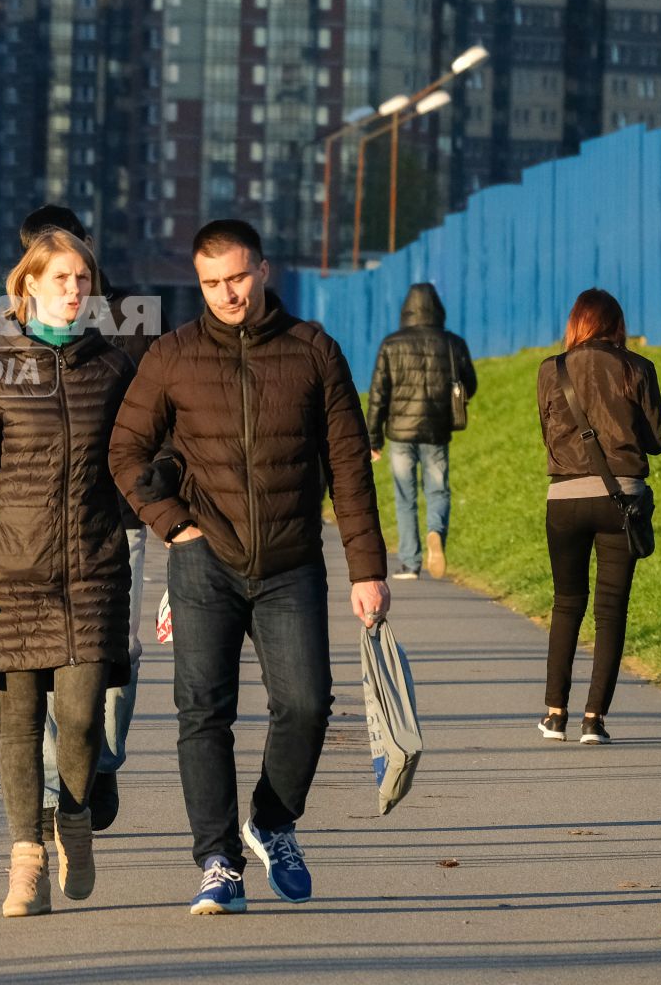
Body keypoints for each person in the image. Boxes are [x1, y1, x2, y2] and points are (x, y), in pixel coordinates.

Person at [109, 219, 389, 915]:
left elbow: (349, 464)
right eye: (211, 283)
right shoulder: (172, 356)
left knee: (307, 704)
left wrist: (367, 567)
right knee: (203, 713)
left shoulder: (313, 350)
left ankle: (271, 819)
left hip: (292, 562)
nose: (226, 294)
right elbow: (125, 452)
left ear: (263, 270)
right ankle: (217, 862)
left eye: (236, 277)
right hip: (204, 563)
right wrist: (175, 525)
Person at [0, 226, 136, 917]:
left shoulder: (113, 367)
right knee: (19, 722)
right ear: (29, 287)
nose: (74, 291)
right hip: (12, 570)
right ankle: (26, 863)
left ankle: (73, 819)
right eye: (61, 279)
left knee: (79, 721)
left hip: (93, 568)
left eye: (83, 280)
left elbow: (146, 458)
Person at [0, 208, 153, 844]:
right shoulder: (6, 335)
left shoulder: (130, 326)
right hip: (32, 536)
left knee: (117, 652)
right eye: (47, 266)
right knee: (47, 662)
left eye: (73, 267)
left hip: (117, 524)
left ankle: (97, 761)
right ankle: (67, 781)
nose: (65, 282)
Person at [535, 288, 661, 745]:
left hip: (565, 498)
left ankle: (555, 715)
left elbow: (548, 436)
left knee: (566, 602)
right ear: (616, 325)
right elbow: (657, 440)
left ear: (577, 323)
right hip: (622, 501)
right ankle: (594, 720)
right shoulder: (638, 368)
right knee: (610, 612)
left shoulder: (551, 371)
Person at [366, 283, 477, 579]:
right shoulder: (452, 342)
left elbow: (378, 393)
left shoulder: (391, 344)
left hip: (400, 433)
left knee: (405, 496)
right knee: (438, 489)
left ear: (406, 309)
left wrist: (373, 438)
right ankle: (435, 531)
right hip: (437, 430)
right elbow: (470, 384)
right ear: (438, 308)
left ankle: (410, 562)